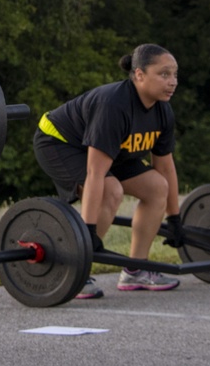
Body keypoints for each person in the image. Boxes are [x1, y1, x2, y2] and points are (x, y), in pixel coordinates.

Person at [33, 44, 181, 299]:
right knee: (111, 190)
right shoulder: (113, 105)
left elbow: (165, 168)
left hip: (115, 152)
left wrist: (175, 219)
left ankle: (136, 270)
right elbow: (95, 173)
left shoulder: (162, 110)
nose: (172, 82)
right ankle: (75, 270)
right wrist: (88, 231)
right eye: (164, 74)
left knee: (158, 187)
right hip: (59, 142)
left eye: (175, 75)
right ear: (139, 75)